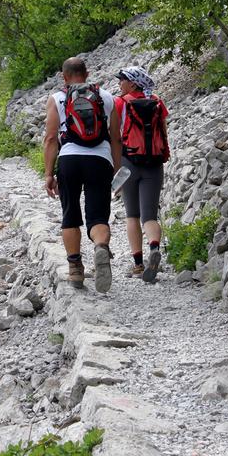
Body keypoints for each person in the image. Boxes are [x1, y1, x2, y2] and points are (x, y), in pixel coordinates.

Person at [44, 57, 122, 292]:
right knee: (98, 215)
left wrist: (49, 173)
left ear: (64, 76)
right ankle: (100, 246)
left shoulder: (57, 98)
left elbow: (50, 139)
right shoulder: (107, 98)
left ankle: (75, 268)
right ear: (87, 73)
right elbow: (116, 138)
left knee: (70, 214)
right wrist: (117, 170)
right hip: (100, 160)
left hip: (69, 159)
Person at [114, 66, 169, 284]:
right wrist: (163, 155)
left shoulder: (121, 103)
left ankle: (138, 264)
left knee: (131, 215)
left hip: (129, 162)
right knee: (149, 216)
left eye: (123, 80)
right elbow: (163, 131)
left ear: (133, 83)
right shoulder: (156, 101)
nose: (120, 84)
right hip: (153, 163)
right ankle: (154, 247)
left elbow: (115, 135)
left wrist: (115, 163)